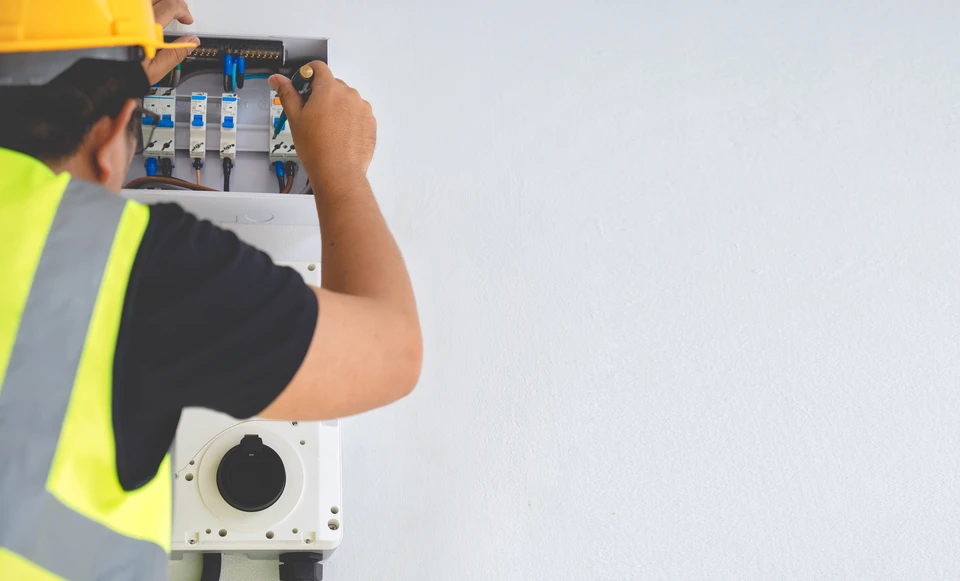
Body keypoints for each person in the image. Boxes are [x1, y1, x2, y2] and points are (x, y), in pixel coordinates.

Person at [0, 0, 422, 579]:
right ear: (109, 140)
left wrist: (114, 82)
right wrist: (340, 169)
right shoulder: (133, 264)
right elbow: (390, 352)